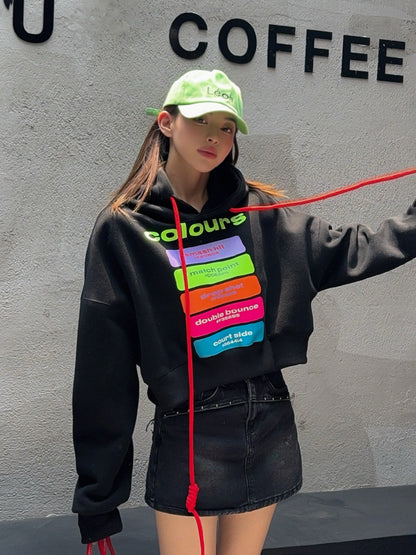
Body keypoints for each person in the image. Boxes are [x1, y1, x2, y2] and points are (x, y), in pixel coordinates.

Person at [72, 69, 416, 555]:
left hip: (269, 421)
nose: (214, 136)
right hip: (192, 433)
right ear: (167, 123)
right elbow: (102, 368)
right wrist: (98, 497)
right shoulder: (125, 228)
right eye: (201, 121)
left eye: (226, 126)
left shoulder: (258, 212)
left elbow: (352, 248)